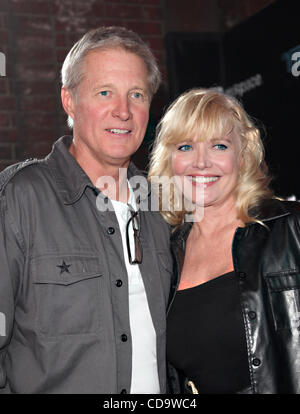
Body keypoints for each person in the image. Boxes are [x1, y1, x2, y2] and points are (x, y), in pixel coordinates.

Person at [0, 26, 172, 394]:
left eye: (136, 94)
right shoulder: (18, 200)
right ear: (69, 100)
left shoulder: (162, 206)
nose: (123, 111)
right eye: (104, 92)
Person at [148, 88, 300, 394]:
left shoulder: (290, 227)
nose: (201, 163)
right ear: (170, 160)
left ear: (242, 156)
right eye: (186, 146)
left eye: (219, 145)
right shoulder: (164, 252)